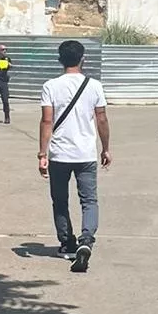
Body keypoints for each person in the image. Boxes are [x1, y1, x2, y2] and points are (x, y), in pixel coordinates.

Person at [39, 40, 110, 273]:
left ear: (60, 60)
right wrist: (105, 148)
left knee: (60, 201)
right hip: (85, 154)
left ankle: (67, 243)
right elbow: (101, 119)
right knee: (89, 201)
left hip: (59, 154)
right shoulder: (94, 86)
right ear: (83, 59)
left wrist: (42, 153)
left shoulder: (50, 85)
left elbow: (47, 121)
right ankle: (86, 241)